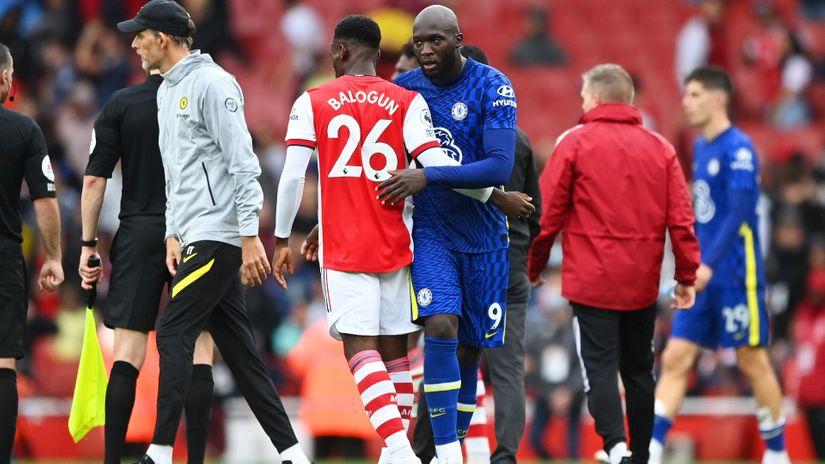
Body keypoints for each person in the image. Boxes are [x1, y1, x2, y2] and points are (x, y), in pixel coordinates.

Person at [272, 16, 532, 464]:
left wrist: (281, 237)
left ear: (337, 52)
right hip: (400, 241)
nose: (426, 50)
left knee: (361, 347)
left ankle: (399, 448)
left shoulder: (313, 99)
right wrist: (496, 196)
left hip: (350, 246)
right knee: (401, 352)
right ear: (381, 54)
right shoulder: (406, 99)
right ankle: (412, 454)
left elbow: (294, 175)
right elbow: (434, 165)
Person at [115, 2, 310, 463]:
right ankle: (293, 456)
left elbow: (244, 167)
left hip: (221, 233)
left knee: (172, 331)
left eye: (140, 34)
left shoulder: (215, 84)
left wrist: (248, 239)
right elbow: (176, 176)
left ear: (162, 38)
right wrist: (172, 233)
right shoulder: (166, 91)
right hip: (197, 232)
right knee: (242, 356)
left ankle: (160, 452)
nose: (134, 43)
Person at [527, 63, 700, 464]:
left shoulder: (573, 142)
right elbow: (682, 218)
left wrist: (534, 265)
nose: (582, 103)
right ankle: (640, 453)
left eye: (585, 97)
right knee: (640, 369)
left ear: (597, 98)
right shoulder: (661, 148)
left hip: (591, 281)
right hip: (642, 281)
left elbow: (547, 214)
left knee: (599, 366)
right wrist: (686, 276)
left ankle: (614, 446)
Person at [386, 6, 521, 463]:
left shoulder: (493, 86)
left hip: (485, 238)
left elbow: (500, 165)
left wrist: (428, 176)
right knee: (441, 325)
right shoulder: (404, 91)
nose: (424, 50)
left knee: (470, 350)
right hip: (432, 233)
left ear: (458, 39)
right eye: (419, 41)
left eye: (435, 41)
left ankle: (452, 443)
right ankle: (446, 453)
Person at [649, 66, 791, 464]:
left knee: (751, 358)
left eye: (693, 94)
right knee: (677, 357)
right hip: (703, 274)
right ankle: (651, 450)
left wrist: (707, 264)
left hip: (734, 273)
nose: (685, 102)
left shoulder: (738, 148)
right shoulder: (703, 147)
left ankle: (778, 454)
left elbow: (741, 212)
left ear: (717, 98)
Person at [411, 43, 542, 464]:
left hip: (497, 257)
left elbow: (524, 199)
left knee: (468, 352)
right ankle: (444, 452)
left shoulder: (510, 137)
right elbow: (536, 213)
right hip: (496, 259)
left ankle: (436, 450)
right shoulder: (519, 139)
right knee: (453, 341)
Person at [77, 66, 215, 463]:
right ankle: (197, 459)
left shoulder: (122, 103)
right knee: (200, 345)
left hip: (139, 229)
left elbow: (94, 179)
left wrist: (88, 244)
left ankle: (112, 461)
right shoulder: (203, 100)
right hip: (194, 227)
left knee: (127, 352)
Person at [0, 41, 64, 463]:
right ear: (6, 79)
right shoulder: (25, 131)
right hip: (4, 258)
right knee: (4, 364)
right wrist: (54, 256)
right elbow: (45, 199)